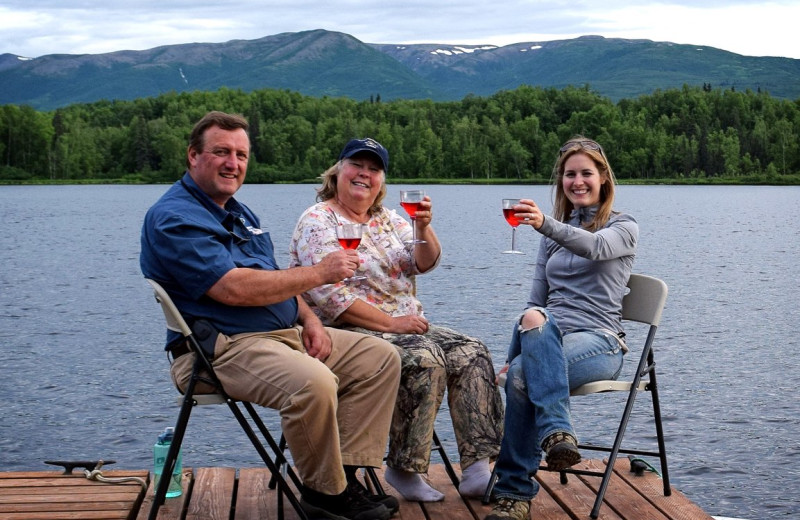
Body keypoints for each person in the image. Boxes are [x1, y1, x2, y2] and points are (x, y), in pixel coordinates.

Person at [140, 112, 402, 520]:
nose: (233, 163)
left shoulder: (241, 213)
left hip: (282, 334)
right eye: (221, 152)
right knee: (313, 383)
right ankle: (324, 496)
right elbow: (232, 288)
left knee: (381, 358)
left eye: (241, 154)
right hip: (220, 349)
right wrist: (320, 272)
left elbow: (277, 280)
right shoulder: (175, 218)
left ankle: (340, 479)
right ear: (193, 156)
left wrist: (310, 320)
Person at [289, 137, 505, 502]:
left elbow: (424, 262)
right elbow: (330, 296)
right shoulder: (318, 220)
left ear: (382, 180)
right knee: (424, 357)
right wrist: (392, 325)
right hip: (345, 330)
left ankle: (476, 469)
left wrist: (422, 227)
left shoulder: (388, 219)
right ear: (337, 171)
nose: (365, 174)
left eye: (374, 169)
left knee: (472, 351)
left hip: (406, 325)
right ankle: (404, 468)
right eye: (357, 165)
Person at [485, 136, 638, 520]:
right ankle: (558, 435)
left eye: (586, 172)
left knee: (524, 374)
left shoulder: (623, 226)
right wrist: (511, 356)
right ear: (562, 182)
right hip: (548, 341)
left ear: (603, 177)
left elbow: (596, 248)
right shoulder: (553, 234)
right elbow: (534, 302)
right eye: (570, 174)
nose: (578, 181)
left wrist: (546, 225)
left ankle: (514, 494)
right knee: (525, 355)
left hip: (599, 343)